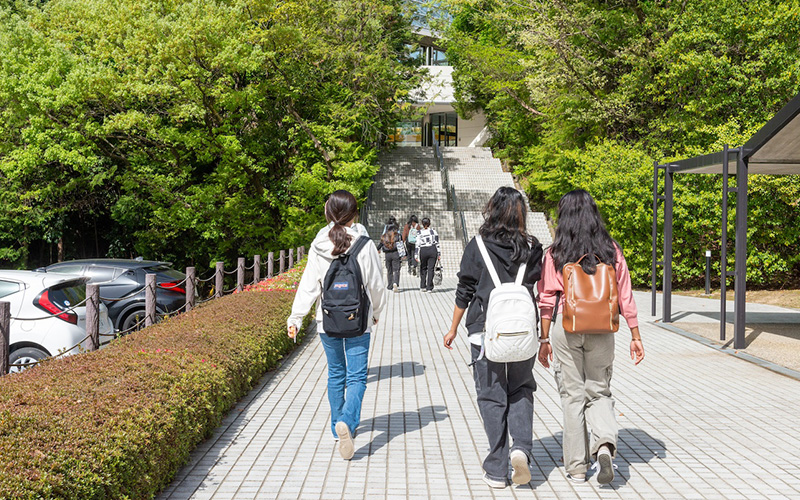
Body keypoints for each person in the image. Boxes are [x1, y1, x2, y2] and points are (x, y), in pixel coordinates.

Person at [536, 189, 645, 485]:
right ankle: (605, 446)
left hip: (565, 326)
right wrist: (635, 335)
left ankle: (576, 467)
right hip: (602, 327)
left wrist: (544, 340)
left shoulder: (555, 253)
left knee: (572, 396)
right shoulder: (611, 250)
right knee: (599, 391)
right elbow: (625, 296)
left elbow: (546, 299)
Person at [443, 187, 543, 489]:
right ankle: (521, 449)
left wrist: (452, 328)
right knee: (522, 389)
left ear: (492, 210)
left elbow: (465, 290)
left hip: (485, 333)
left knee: (491, 396)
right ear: (521, 213)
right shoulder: (532, 247)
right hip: (524, 333)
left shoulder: (477, 245)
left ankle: (497, 468)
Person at [286, 190, 386, 460]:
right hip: (358, 322)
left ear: (328, 214)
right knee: (356, 377)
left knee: (335, 374)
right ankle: (347, 422)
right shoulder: (364, 245)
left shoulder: (318, 244)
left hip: (326, 321)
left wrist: (296, 317)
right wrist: (376, 313)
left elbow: (309, 285)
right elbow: (376, 285)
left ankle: (335, 428)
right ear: (355, 214)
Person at [414, 217, 441, 292]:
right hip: (432, 249)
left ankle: (423, 286)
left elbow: (417, 244)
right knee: (431, 269)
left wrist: (416, 254)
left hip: (423, 250)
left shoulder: (419, 232)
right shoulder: (433, 231)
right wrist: (439, 254)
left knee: (423, 268)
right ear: (429, 224)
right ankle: (429, 287)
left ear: (422, 224)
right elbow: (437, 243)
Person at [377, 223, 402, 292]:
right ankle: (395, 283)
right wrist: (403, 254)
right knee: (396, 269)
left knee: (389, 270)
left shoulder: (384, 236)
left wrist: (377, 249)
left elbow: (380, 244)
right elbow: (401, 245)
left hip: (387, 254)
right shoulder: (397, 236)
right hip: (395, 253)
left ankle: (389, 285)